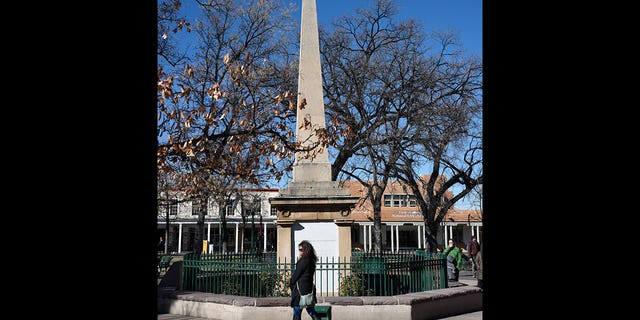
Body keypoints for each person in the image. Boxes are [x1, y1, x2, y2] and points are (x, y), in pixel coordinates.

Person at [290, 240, 322, 320]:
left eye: (301, 250)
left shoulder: (303, 261)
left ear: (305, 250)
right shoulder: (311, 261)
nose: (299, 251)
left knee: (297, 311)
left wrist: (291, 284)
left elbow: (295, 276)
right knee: (311, 310)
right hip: (309, 288)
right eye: (299, 249)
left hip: (299, 289)